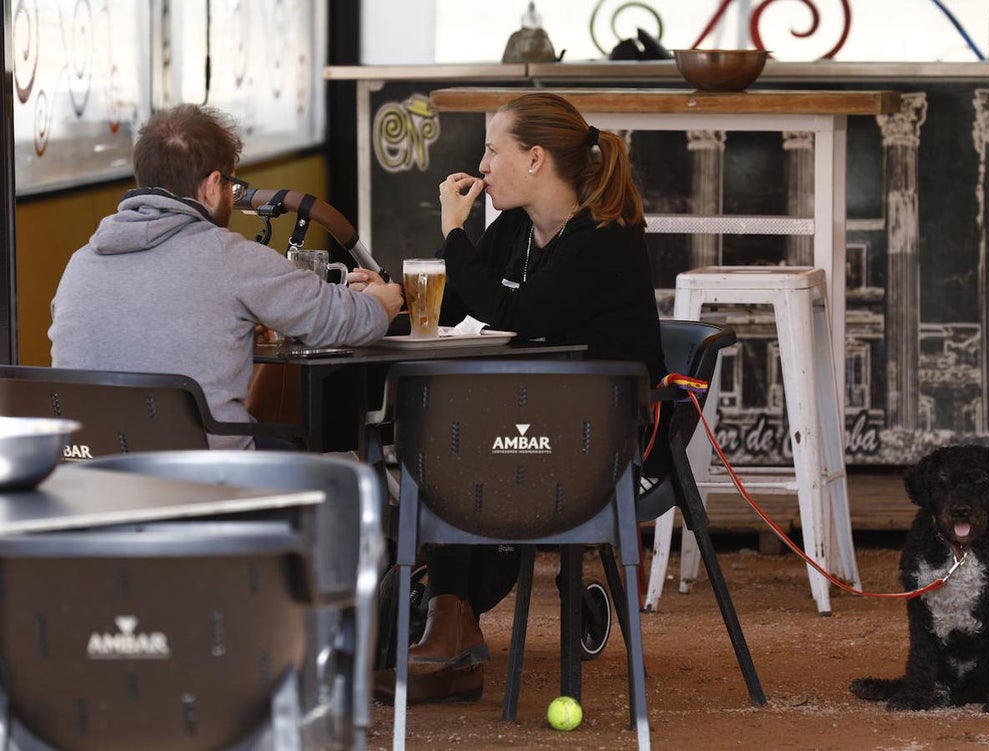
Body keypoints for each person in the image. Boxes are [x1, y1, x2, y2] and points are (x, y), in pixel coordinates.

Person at [385, 91, 668, 702]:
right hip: (533, 420)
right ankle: (447, 622)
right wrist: (388, 294)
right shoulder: (515, 227)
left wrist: (453, 231)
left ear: (536, 158)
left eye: (492, 151)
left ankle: (447, 626)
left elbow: (516, 312)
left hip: (608, 440)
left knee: (454, 448)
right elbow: (459, 302)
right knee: (440, 439)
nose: (481, 166)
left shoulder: (603, 239)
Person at [48, 104, 404, 449]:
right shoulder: (229, 256)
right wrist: (380, 303)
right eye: (231, 188)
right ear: (212, 184)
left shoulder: (80, 264)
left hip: (91, 470)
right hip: (205, 478)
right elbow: (340, 320)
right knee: (330, 473)